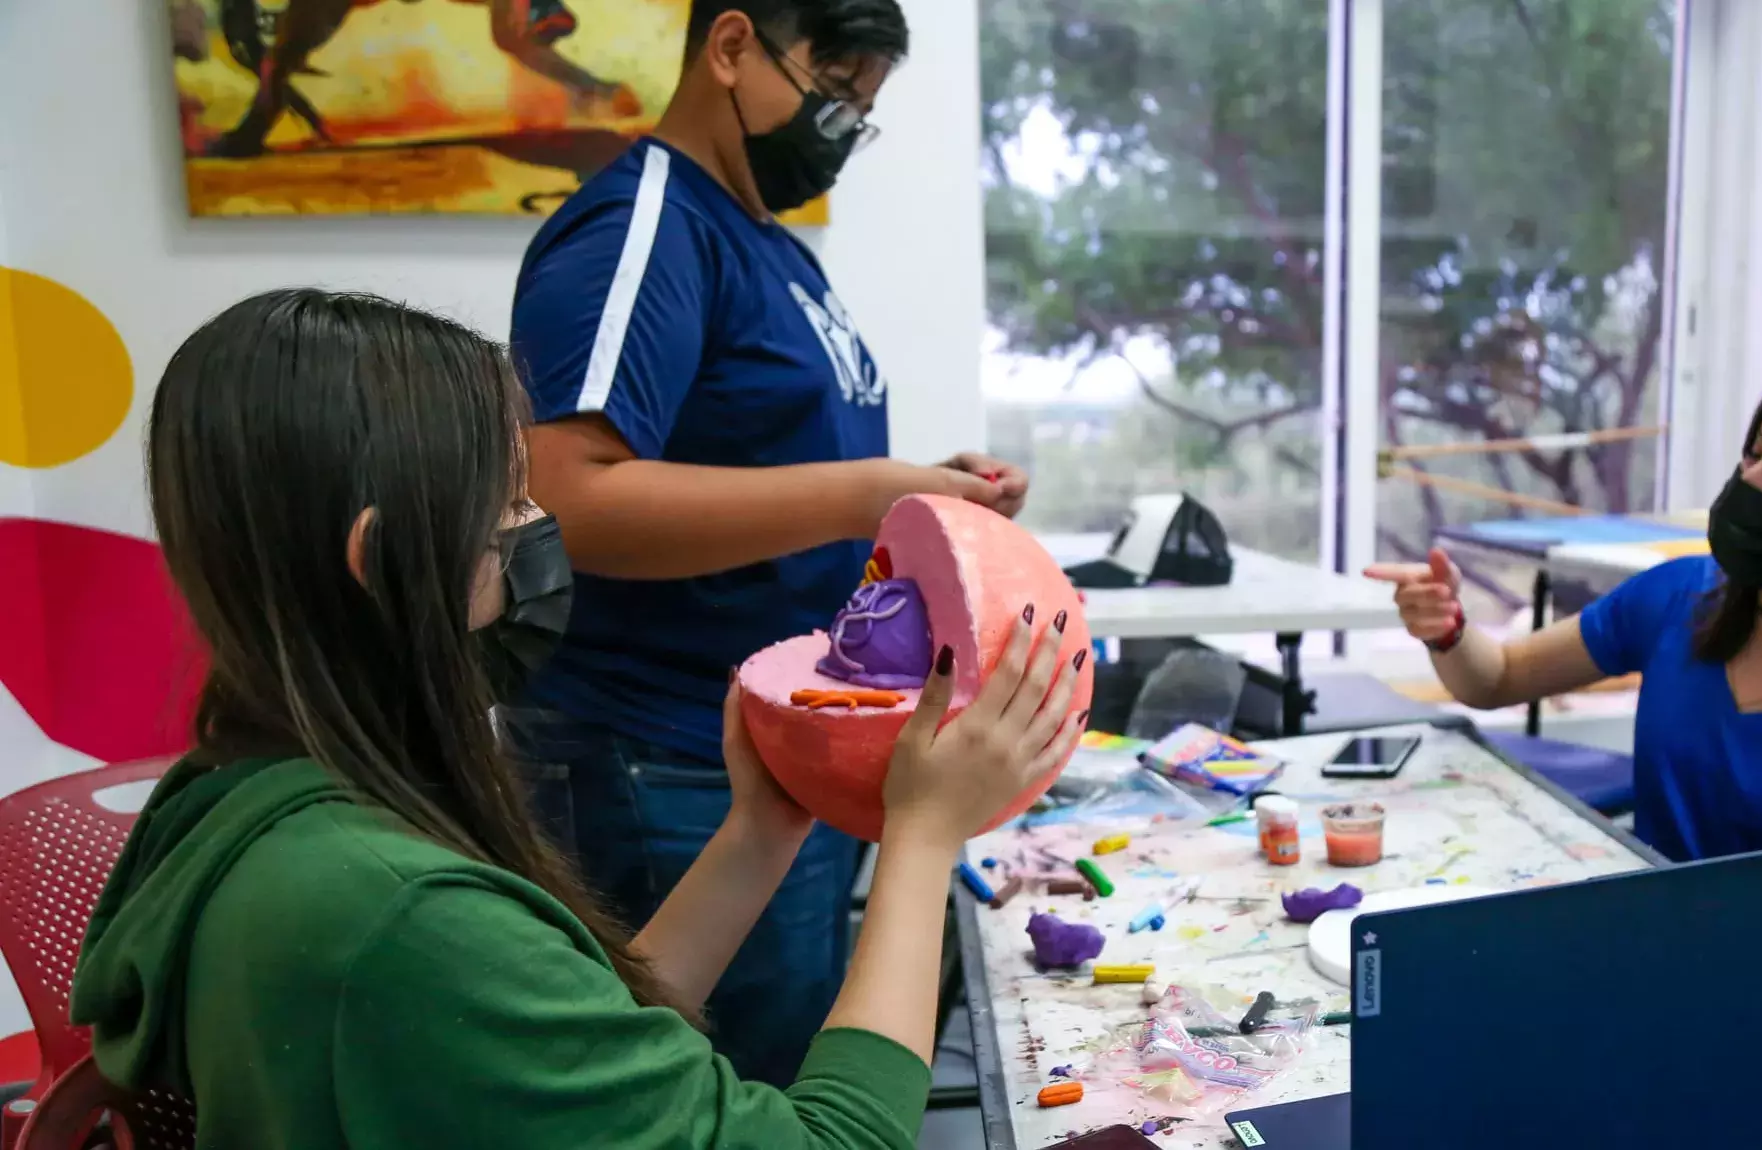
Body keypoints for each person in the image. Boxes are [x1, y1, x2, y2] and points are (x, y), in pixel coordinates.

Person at [71, 290, 1082, 1148]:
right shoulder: (394, 915)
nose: (537, 537)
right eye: (510, 506)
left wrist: (759, 828)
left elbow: (571, 1023)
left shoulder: (253, 792)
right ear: (380, 560)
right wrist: (922, 836)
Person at [503, 0, 1027, 1084]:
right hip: (665, 763)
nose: (839, 128)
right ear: (732, 47)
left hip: (775, 753)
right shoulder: (643, 228)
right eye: (833, 92)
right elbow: (571, 499)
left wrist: (924, 491)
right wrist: (864, 493)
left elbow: (767, 464)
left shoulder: (770, 248)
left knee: (789, 1075)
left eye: (862, 112)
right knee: (719, 1094)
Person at [1367, 357, 1762, 862]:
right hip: (1650, 956)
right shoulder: (1682, 598)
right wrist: (1447, 630)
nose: (1748, 485)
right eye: (1754, 455)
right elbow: (1499, 677)